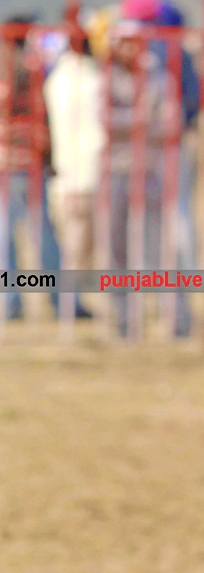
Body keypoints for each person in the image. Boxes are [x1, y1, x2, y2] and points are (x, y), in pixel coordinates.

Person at [102, 20, 190, 336]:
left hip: (151, 172)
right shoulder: (106, 79)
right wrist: (140, 118)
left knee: (161, 248)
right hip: (115, 173)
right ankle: (125, 320)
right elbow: (103, 120)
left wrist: (133, 122)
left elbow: (171, 122)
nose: (129, 49)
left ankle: (178, 319)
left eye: (134, 42)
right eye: (123, 42)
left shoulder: (160, 78)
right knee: (117, 251)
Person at [0, 14, 61, 319]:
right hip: (15, 164)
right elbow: (43, 118)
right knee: (36, 235)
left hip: (3, 164)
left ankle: (15, 303)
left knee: (10, 236)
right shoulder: (28, 70)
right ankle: (53, 300)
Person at [43, 7, 104, 318]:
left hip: (72, 173)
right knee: (76, 245)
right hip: (80, 175)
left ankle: (70, 300)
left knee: (77, 244)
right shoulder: (83, 78)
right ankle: (69, 302)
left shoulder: (62, 75)